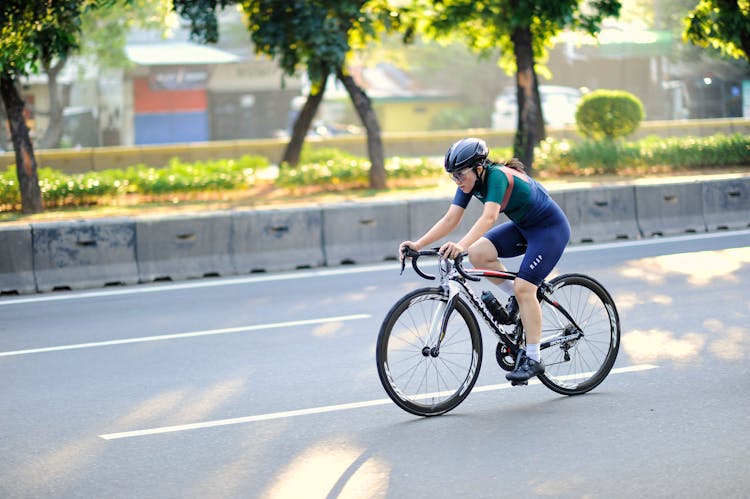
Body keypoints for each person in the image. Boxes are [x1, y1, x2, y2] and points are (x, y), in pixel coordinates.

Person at [399, 137, 571, 384]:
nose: (457, 181)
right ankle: (517, 300)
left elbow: (489, 217)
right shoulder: (469, 183)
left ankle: (533, 358)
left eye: (460, 174)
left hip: (549, 230)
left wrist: (460, 246)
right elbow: (450, 219)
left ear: (479, 168)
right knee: (479, 254)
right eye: (452, 176)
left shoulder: (497, 176)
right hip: (524, 227)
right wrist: (417, 244)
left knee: (526, 288)